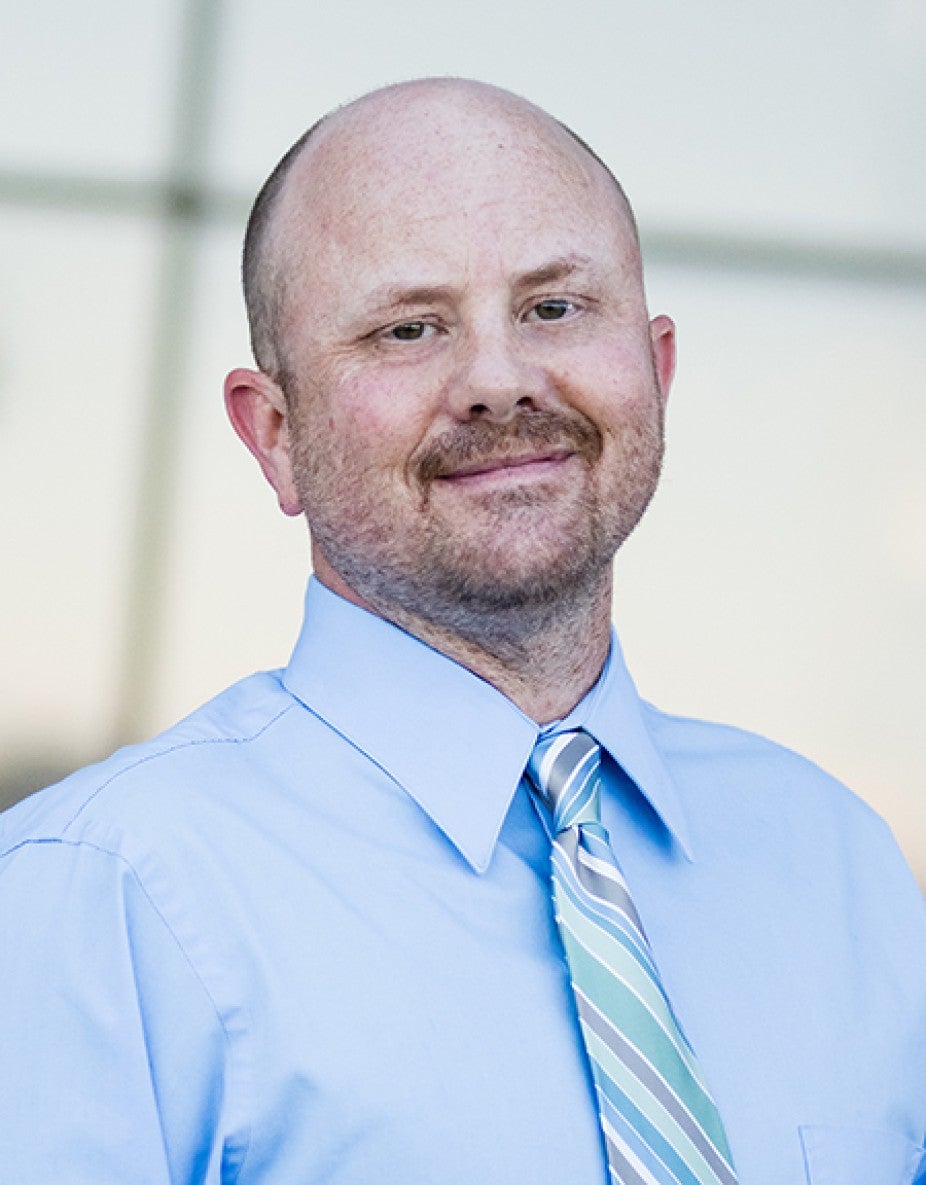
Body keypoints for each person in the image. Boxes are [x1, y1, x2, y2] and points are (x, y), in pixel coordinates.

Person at [1, 77, 924, 1185]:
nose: (497, 380)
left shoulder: (836, 863)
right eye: (409, 328)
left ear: (657, 370)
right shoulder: (100, 899)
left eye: (552, 308)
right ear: (275, 435)